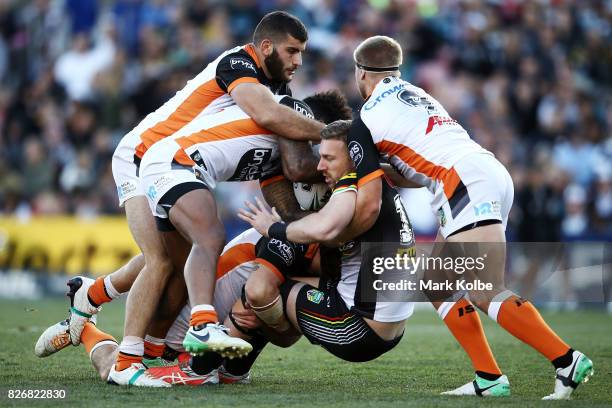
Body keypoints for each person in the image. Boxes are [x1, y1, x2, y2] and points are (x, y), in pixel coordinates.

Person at [66, 11, 325, 387]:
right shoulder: (238, 62)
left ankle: (94, 300)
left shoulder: (278, 97)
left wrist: (299, 222)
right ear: (266, 46)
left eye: (302, 53)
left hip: (179, 161)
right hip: (142, 154)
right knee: (161, 260)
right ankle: (128, 343)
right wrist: (338, 135)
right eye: (292, 51)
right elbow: (266, 114)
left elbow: (278, 166)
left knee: (176, 261)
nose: (298, 62)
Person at [340, 35, 593, 399]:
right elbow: (416, 167)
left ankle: (566, 359)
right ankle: (489, 377)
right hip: (480, 172)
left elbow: (371, 182)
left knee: (484, 287)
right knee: (439, 282)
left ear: (361, 73)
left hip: (462, 182)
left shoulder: (364, 118)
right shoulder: (419, 95)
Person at [239, 120, 414, 362]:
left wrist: (273, 228)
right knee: (277, 287)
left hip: (355, 331)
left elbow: (325, 227)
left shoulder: (350, 183)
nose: (320, 166)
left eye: (329, 158)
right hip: (391, 331)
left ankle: (208, 368)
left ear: (353, 159)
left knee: (258, 292)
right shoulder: (378, 183)